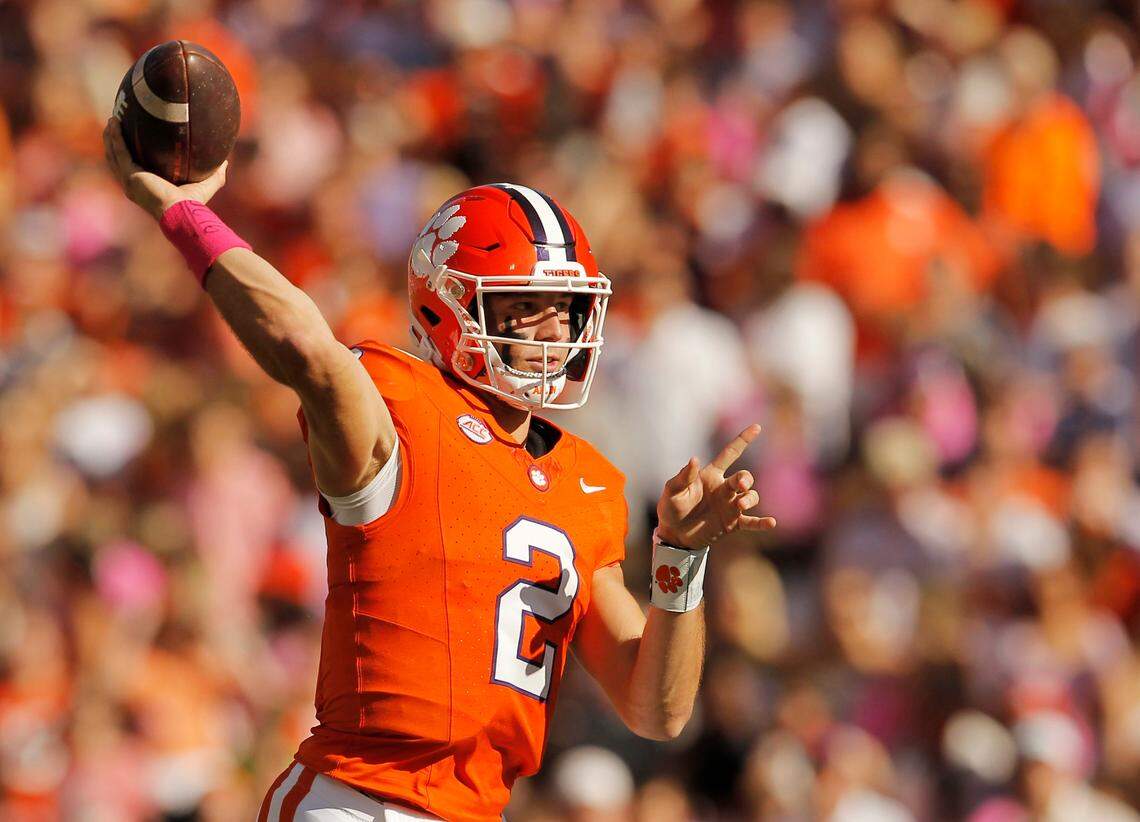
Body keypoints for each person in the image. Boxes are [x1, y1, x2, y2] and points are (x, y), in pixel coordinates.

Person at [102, 118, 776, 822]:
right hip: (356, 800)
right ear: (444, 301)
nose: (554, 332)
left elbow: (656, 710)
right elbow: (304, 344)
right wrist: (185, 212)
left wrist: (681, 562)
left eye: (568, 310)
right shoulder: (402, 406)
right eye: (524, 307)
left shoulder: (591, 484)